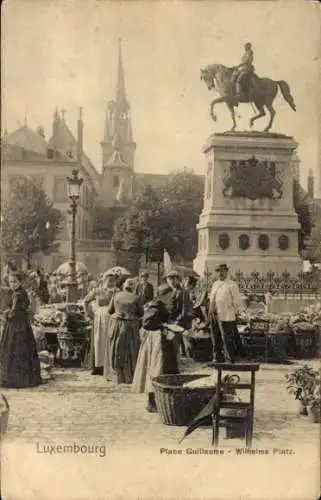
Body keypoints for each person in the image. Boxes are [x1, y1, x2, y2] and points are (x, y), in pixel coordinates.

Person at [0, 271, 41, 388]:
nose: (12, 284)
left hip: (15, 327)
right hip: (23, 326)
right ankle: (26, 378)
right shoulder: (22, 292)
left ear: (19, 281)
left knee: (13, 350)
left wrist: (6, 314)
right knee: (24, 351)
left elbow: (14, 313)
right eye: (10, 282)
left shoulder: (17, 295)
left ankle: (14, 380)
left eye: (14, 282)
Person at [107, 278, 143, 384]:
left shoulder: (115, 296)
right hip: (131, 326)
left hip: (117, 325)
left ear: (124, 286)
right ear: (134, 287)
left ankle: (118, 377)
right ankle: (129, 377)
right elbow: (141, 313)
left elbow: (110, 311)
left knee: (117, 348)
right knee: (131, 349)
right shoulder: (136, 298)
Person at [209, 264, 245, 363]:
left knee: (226, 337)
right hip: (214, 313)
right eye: (218, 271)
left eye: (222, 271)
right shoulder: (215, 284)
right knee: (215, 336)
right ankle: (217, 357)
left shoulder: (231, 285)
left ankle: (230, 358)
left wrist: (239, 312)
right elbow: (212, 299)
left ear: (226, 272)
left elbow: (237, 300)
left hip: (226, 314)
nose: (220, 273)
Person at [84, 273, 118, 376]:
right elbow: (86, 301)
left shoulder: (117, 291)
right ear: (104, 281)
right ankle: (98, 367)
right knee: (98, 341)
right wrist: (89, 314)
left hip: (111, 319)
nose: (111, 283)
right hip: (99, 319)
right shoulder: (98, 290)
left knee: (110, 341)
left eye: (113, 281)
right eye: (109, 280)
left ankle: (109, 367)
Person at [160, 269, 192, 361]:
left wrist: (176, 322)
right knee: (166, 345)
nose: (172, 281)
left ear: (178, 280)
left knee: (174, 346)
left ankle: (174, 368)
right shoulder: (165, 291)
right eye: (170, 278)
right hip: (166, 322)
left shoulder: (183, 292)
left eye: (174, 278)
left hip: (177, 322)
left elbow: (185, 311)